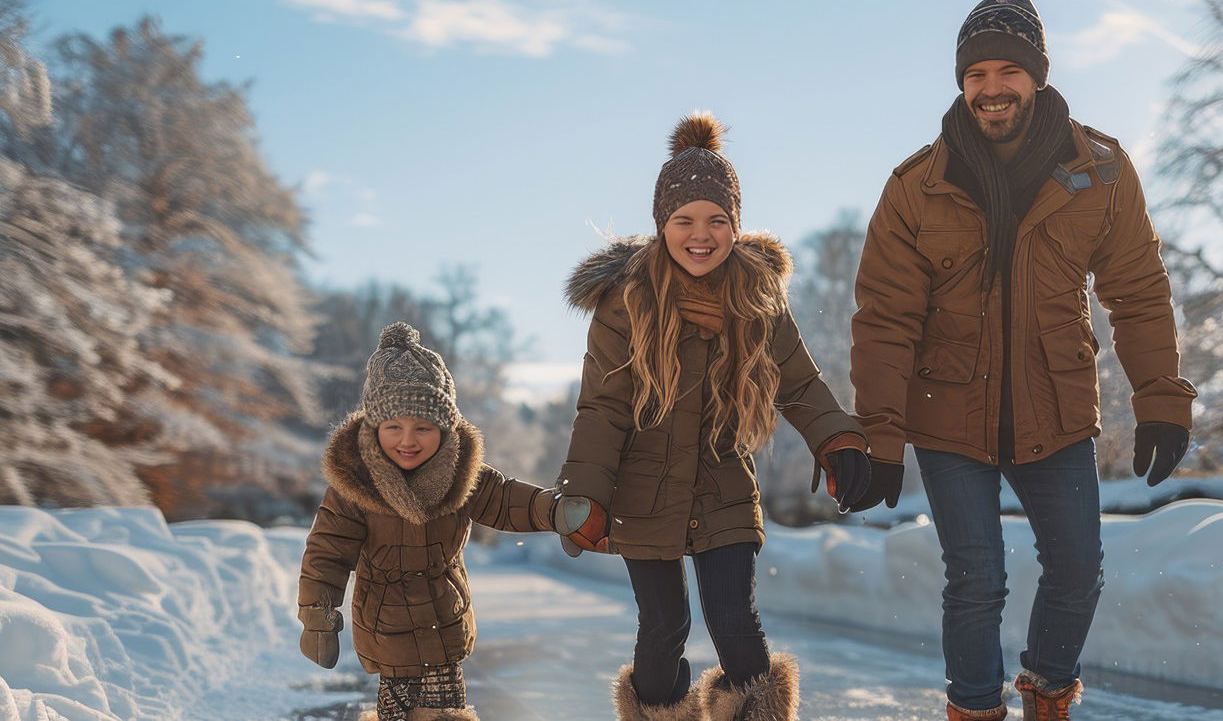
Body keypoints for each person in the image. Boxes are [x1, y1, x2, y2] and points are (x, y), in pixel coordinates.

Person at [849, 0, 1197, 720]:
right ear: (961, 83)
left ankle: (1048, 693)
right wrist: (880, 433)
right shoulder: (918, 185)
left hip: (1056, 405)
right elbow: (886, 318)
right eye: (976, 74)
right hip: (948, 413)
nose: (991, 88)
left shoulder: (1099, 170)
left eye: (1008, 70)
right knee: (975, 578)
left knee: (1077, 569)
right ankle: (974, 710)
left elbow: (1136, 288)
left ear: (1036, 76)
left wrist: (1161, 397)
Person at [556, 112, 873, 721]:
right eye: (684, 221)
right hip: (642, 490)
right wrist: (585, 497)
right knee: (663, 630)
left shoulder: (756, 297)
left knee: (735, 622)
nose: (700, 235)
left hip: (723, 482)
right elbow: (602, 410)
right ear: (662, 225)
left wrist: (837, 439)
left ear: (735, 226)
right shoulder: (626, 305)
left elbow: (799, 381)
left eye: (717, 221)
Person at [296, 321, 586, 721]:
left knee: (446, 711)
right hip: (386, 628)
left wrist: (554, 511)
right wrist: (317, 615)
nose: (408, 440)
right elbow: (327, 551)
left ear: (445, 428)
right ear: (374, 426)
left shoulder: (462, 474)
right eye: (393, 427)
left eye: (424, 428)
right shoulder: (356, 484)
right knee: (396, 712)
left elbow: (507, 501)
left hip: (444, 622)